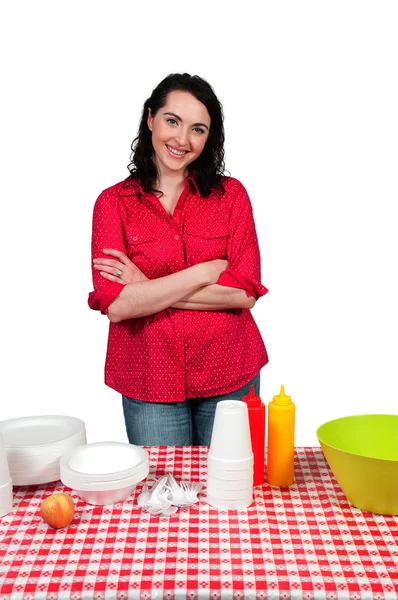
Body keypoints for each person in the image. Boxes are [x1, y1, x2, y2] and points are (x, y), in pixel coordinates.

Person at [88, 73, 268, 446]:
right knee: (167, 497)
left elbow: (244, 293)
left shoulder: (231, 196)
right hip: (148, 377)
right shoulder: (112, 204)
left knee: (230, 490)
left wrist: (145, 288)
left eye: (198, 129)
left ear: (209, 137)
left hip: (231, 371)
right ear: (151, 118)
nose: (182, 140)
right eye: (173, 121)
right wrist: (203, 273)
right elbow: (118, 305)